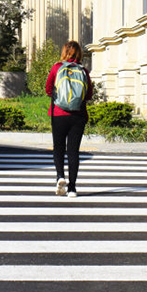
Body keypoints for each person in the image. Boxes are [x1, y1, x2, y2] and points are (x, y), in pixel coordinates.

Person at [45, 40, 93, 198]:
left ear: (64, 52)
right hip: (78, 116)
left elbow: (48, 89)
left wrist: (61, 98)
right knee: (73, 151)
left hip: (58, 114)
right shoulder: (83, 71)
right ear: (79, 54)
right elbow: (89, 95)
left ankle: (60, 177)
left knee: (58, 148)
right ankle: (72, 188)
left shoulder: (57, 68)